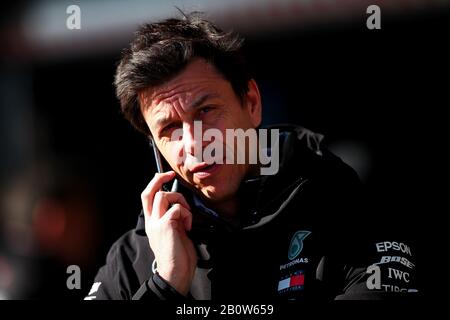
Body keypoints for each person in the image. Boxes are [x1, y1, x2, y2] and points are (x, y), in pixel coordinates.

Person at [86, 13, 418, 300]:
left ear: (252, 103)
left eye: (206, 111)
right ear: (154, 144)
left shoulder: (345, 206)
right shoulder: (132, 258)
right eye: (170, 128)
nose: (195, 142)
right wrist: (166, 285)